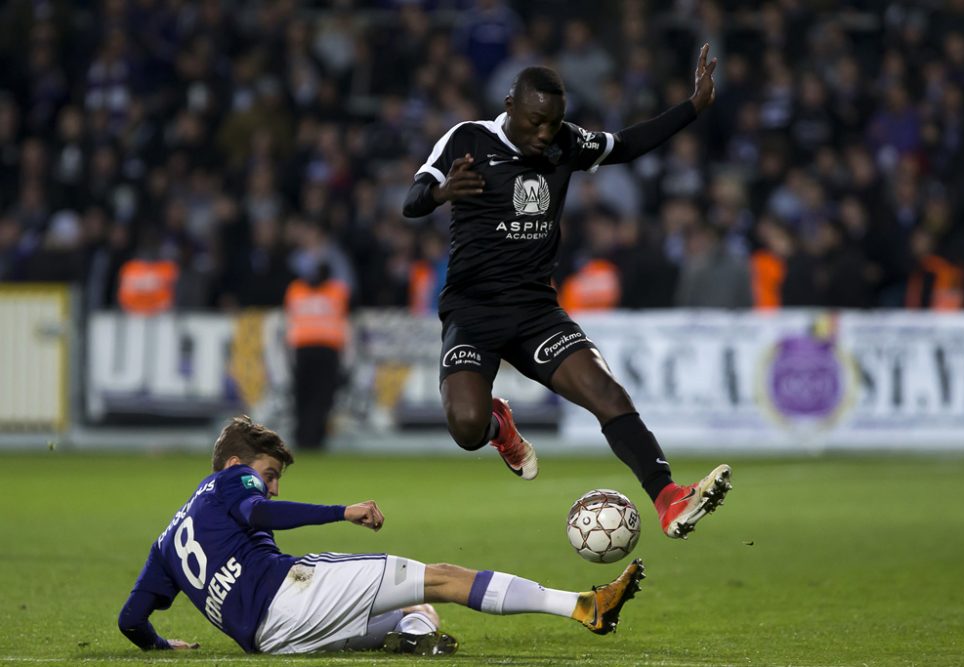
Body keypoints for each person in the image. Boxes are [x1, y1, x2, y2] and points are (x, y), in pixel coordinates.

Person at [402, 45, 732, 539]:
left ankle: (667, 498)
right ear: (510, 105)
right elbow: (412, 202)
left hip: (536, 311)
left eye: (553, 124)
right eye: (535, 121)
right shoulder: (467, 139)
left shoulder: (566, 143)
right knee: (467, 427)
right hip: (473, 312)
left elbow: (624, 145)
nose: (543, 134)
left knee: (606, 391)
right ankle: (501, 427)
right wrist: (442, 192)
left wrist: (692, 107)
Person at [118, 416, 645, 656]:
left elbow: (131, 620)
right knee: (441, 579)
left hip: (269, 642)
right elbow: (259, 514)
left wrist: (163, 645)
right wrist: (341, 511)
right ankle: (583, 605)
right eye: (270, 474)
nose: (272, 487)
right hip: (291, 592)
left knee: (418, 612)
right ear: (235, 463)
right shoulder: (231, 481)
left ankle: (414, 638)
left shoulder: (166, 542)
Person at [283, 262, 349, 449]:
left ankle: (305, 438)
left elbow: (289, 318)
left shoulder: (296, 290)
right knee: (319, 397)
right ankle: (312, 439)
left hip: (308, 348)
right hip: (323, 349)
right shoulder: (337, 291)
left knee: (306, 396)